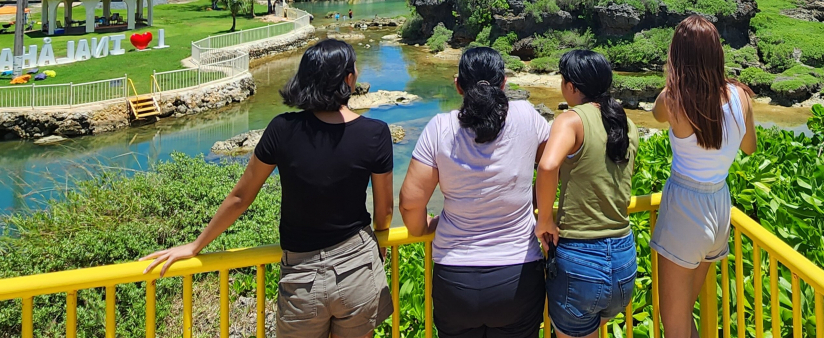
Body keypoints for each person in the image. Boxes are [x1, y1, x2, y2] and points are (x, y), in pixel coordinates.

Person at [143, 39, 394, 338]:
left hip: (303, 276)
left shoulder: (282, 129)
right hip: (358, 268)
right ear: (348, 79)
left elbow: (240, 198)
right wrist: (379, 237)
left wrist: (196, 246)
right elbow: (385, 210)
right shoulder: (375, 133)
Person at [399, 47, 551, 338]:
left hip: (455, 278)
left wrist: (422, 228)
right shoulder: (526, 116)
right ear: (504, 83)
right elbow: (551, 166)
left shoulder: (440, 127)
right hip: (517, 276)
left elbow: (409, 203)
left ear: (457, 85)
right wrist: (534, 201)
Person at [650, 15, 757, 338]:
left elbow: (655, 114)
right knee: (685, 315)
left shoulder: (674, 99)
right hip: (719, 206)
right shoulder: (741, 97)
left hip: (685, 210)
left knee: (674, 321)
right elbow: (749, 147)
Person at [536, 50, 640, 338]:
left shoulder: (571, 119)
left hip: (581, 260)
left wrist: (544, 220)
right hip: (623, 257)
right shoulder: (627, 124)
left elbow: (547, 166)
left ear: (572, 87)